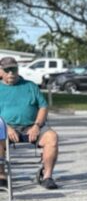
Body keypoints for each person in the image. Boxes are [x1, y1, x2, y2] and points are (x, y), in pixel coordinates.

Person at [0, 55, 60, 189]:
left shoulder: (30, 86)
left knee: (52, 137)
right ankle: (1, 175)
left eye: (14, 69)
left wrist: (37, 126)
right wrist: (7, 127)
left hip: (31, 127)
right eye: (7, 70)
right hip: (5, 127)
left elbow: (43, 106)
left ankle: (47, 176)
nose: (11, 73)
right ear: (0, 71)